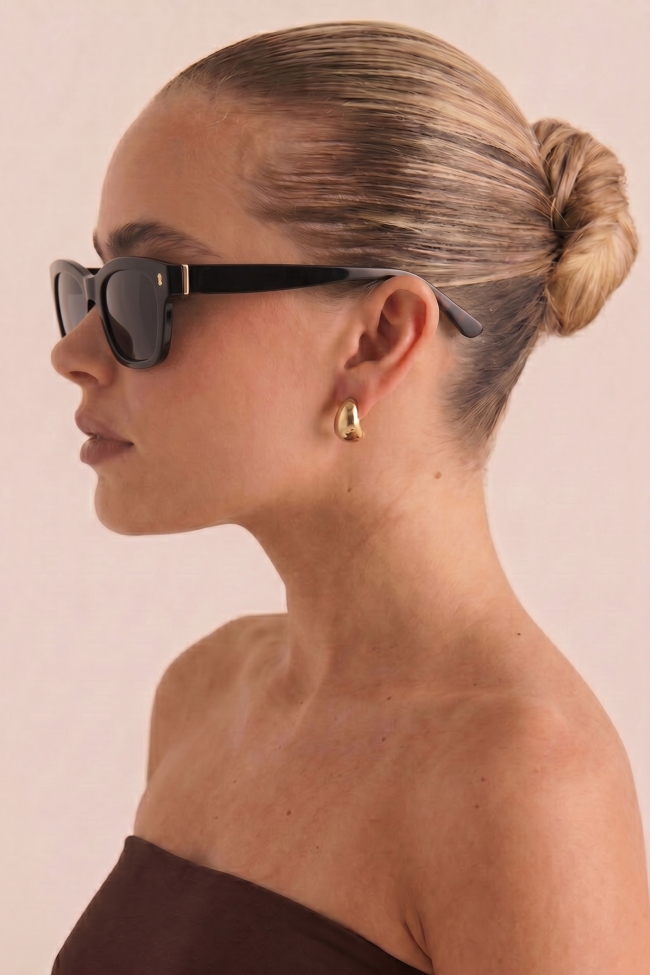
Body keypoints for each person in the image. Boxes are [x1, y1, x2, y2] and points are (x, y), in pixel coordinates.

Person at [49, 20, 650, 975]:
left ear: (377, 338)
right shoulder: (207, 694)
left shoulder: (530, 786)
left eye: (145, 289)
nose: (74, 351)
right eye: (88, 286)